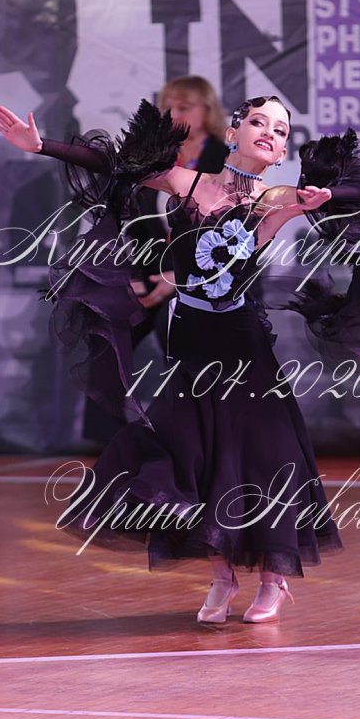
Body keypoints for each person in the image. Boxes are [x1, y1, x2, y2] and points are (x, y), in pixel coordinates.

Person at [0, 94, 360, 622]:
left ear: (283, 151)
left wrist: (328, 193)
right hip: (191, 341)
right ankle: (221, 577)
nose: (270, 133)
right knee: (190, 458)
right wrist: (42, 146)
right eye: (259, 122)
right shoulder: (186, 182)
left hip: (243, 345)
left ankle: (273, 580)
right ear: (234, 132)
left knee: (265, 459)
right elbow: (114, 164)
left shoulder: (276, 197)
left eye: (281, 131)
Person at [83, 76, 228, 444]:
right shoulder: (154, 155)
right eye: (168, 107)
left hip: (207, 278)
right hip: (152, 272)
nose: (173, 114)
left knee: (175, 331)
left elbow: (227, 231)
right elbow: (134, 220)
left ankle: (192, 434)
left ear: (207, 112)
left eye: (184, 107)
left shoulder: (224, 158)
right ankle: (110, 438)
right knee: (109, 326)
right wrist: (133, 276)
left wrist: (177, 278)